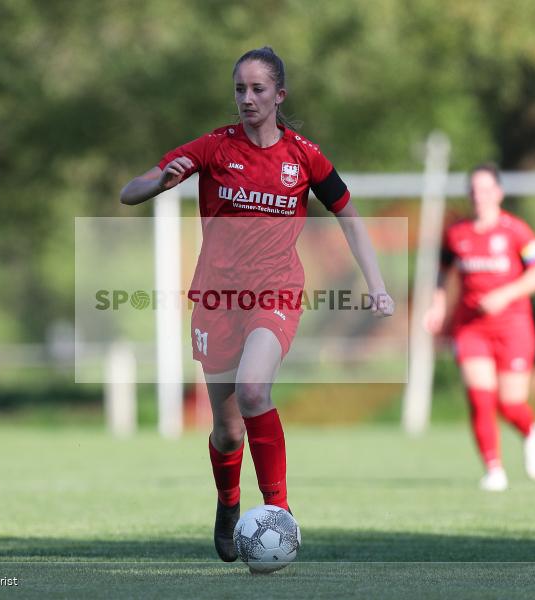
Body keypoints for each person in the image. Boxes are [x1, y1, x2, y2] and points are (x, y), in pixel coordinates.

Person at [120, 47, 394, 561]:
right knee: (226, 432)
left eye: (258, 89)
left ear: (279, 95)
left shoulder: (304, 157)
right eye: (240, 90)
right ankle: (228, 504)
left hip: (276, 291)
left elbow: (349, 216)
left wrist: (376, 282)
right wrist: (159, 182)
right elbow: (126, 193)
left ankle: (279, 513)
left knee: (253, 390)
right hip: (216, 299)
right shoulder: (212, 148)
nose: (248, 99)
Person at [424, 163, 535, 492]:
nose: (478, 196)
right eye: (473, 190)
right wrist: (438, 306)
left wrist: (505, 294)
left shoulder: (516, 231)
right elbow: (442, 271)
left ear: (499, 193)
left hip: (513, 327)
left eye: (485, 190)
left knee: (510, 404)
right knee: (480, 399)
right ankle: (494, 470)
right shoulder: (456, 234)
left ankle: (530, 431)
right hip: (471, 328)